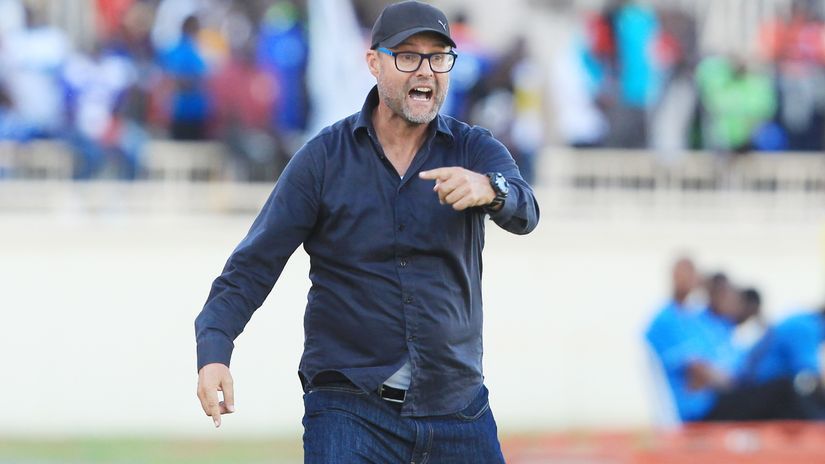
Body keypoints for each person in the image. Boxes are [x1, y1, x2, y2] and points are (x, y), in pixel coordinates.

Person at [194, 1, 539, 462]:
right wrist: (215, 350)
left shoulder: (474, 149)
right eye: (409, 56)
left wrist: (492, 189)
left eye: (438, 57)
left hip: (457, 409)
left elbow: (526, 211)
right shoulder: (323, 159)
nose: (426, 70)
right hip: (349, 411)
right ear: (374, 62)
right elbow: (253, 266)